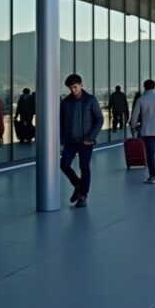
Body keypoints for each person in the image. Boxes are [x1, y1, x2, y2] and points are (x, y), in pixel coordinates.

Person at [60, 74, 103, 208]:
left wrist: (91, 137)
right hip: (70, 141)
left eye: (75, 87)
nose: (73, 90)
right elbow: (61, 122)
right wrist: (62, 140)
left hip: (86, 141)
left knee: (84, 167)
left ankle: (83, 195)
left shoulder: (90, 100)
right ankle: (78, 184)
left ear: (81, 85)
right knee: (64, 165)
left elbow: (99, 119)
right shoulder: (66, 102)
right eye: (70, 88)